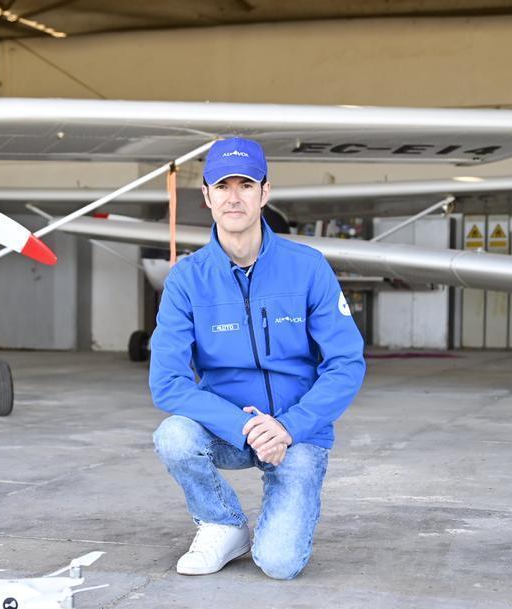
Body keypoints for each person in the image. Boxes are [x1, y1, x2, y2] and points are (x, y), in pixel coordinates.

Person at [149, 137, 366, 580]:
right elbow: (167, 381)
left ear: (264, 193)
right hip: (229, 429)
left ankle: (266, 525)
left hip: (297, 431)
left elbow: (347, 362)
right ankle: (224, 523)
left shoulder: (308, 267)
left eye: (245, 184)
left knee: (280, 565)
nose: (234, 196)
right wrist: (244, 426)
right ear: (206, 196)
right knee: (174, 437)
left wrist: (289, 426)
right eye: (222, 186)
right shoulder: (187, 280)